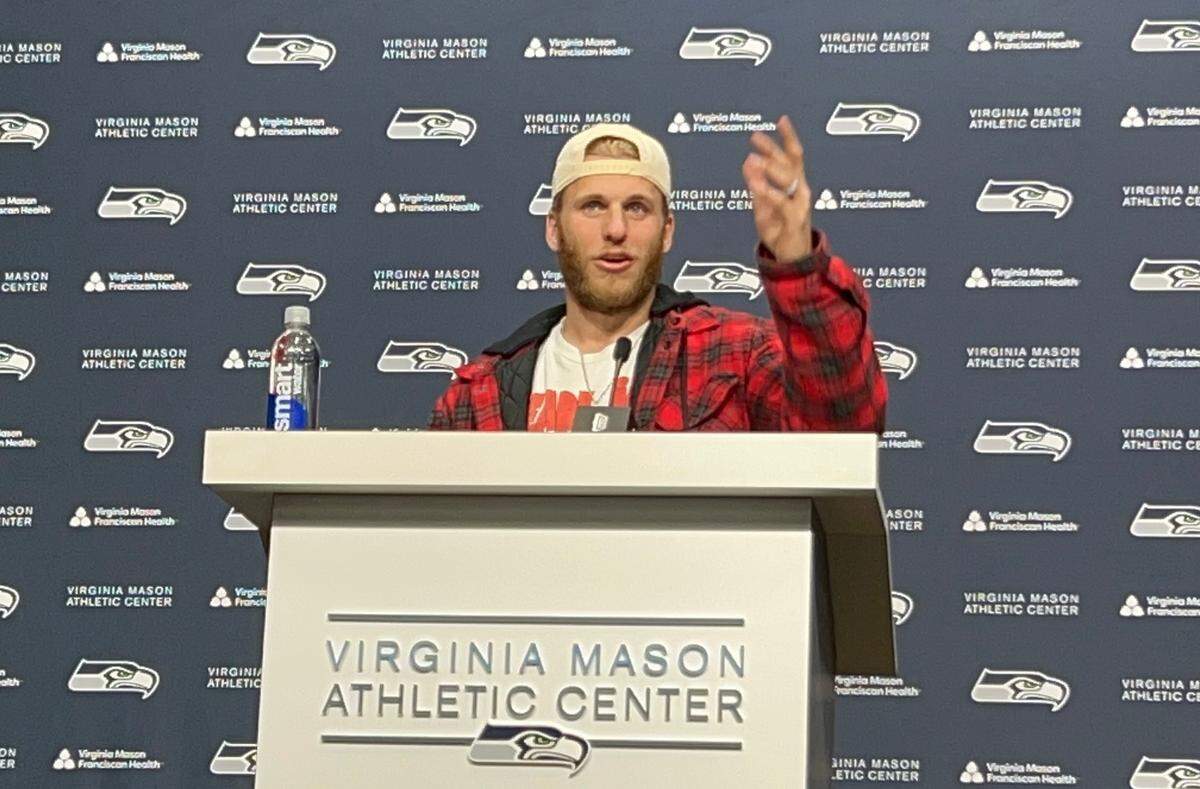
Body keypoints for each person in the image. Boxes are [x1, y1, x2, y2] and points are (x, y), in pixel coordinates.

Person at [429, 118, 886, 432]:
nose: (615, 230)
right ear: (554, 227)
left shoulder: (737, 357)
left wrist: (797, 266)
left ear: (666, 231)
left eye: (637, 208)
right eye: (593, 206)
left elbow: (843, 424)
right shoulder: (478, 393)